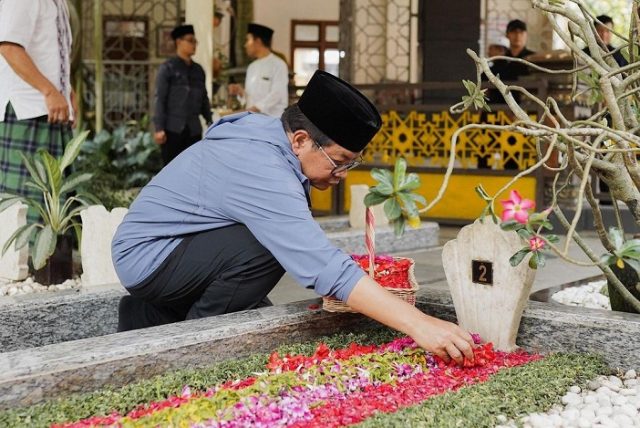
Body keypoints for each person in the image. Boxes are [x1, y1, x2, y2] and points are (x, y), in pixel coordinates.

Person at [113, 70, 475, 365]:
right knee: (266, 247)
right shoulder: (262, 168)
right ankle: (194, 345)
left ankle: (154, 313)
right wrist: (420, 325)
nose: (343, 173)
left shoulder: (271, 133)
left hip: (174, 250)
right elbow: (320, 265)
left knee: (267, 245)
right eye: (340, 160)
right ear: (301, 139)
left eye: (353, 163)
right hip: (150, 259)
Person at [0, 0, 76, 222]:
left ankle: (49, 255)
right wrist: (50, 91)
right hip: (27, 110)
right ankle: (25, 257)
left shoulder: (58, 2)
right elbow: (8, 46)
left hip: (49, 109)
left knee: (54, 201)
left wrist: (68, 91)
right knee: (24, 201)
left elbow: (52, 52)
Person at [153, 25, 212, 166]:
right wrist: (159, 128)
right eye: (190, 40)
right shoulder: (167, 68)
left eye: (195, 41)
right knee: (171, 170)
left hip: (194, 130)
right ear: (179, 42)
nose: (194, 45)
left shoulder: (199, 70)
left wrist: (210, 121)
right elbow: (160, 99)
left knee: (193, 169)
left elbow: (204, 98)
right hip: (172, 130)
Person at [228, 23, 289, 117]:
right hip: (252, 119)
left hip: (271, 121)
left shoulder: (279, 65)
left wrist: (252, 109)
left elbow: (277, 94)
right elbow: (250, 98)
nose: (245, 45)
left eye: (248, 40)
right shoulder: (252, 67)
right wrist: (241, 92)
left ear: (258, 41)